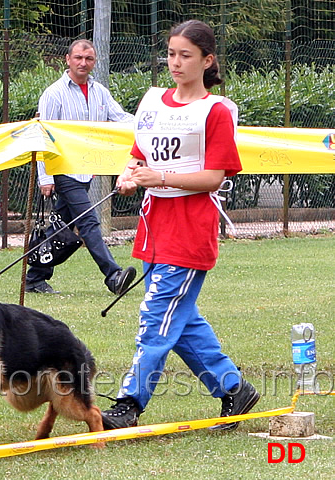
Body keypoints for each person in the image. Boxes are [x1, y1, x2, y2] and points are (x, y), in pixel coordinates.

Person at [102, 20, 259, 430]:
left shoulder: (217, 111)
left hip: (190, 231)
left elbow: (215, 178)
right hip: (155, 229)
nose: (176, 62)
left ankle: (129, 403)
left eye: (185, 55)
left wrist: (162, 178)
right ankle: (234, 389)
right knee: (180, 320)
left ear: (207, 61)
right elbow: (138, 153)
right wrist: (129, 174)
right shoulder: (153, 102)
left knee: (156, 317)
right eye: (171, 53)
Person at [25, 39, 136, 295]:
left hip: (87, 171)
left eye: (88, 59)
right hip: (63, 171)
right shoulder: (53, 94)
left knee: (59, 227)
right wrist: (45, 177)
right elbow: (43, 135)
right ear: (68, 59)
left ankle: (34, 278)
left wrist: (150, 122)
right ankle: (113, 276)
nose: (83, 63)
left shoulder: (100, 92)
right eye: (78, 58)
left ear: (94, 62)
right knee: (88, 222)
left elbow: (120, 119)